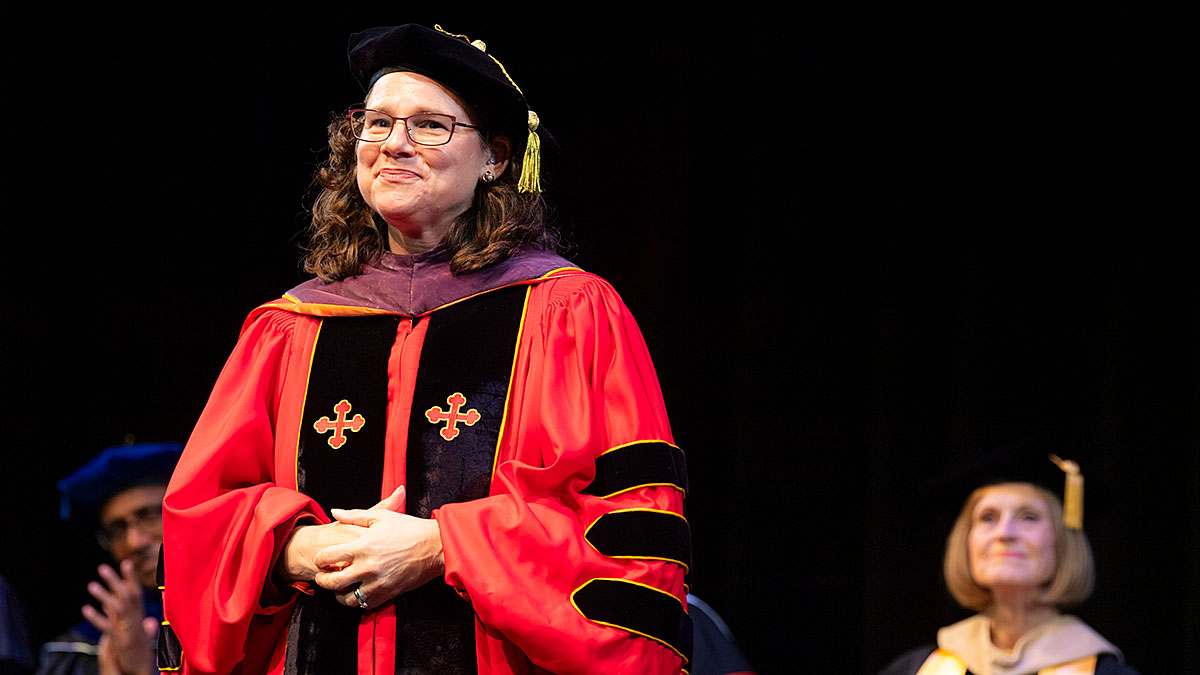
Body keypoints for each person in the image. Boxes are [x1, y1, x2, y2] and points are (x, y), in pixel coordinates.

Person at [159, 23, 690, 675]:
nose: (394, 145)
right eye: (377, 124)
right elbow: (199, 517)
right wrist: (294, 546)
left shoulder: (569, 313)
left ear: (496, 158)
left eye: (429, 126)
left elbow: (628, 540)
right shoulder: (290, 326)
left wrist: (445, 546)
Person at [879, 456, 1138, 675]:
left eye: (1029, 517)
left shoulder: (1101, 670)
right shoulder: (917, 668)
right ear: (966, 543)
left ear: (1063, 543)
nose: (1004, 533)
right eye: (988, 518)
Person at [37, 442, 182, 675]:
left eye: (151, 515)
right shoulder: (77, 650)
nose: (135, 542)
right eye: (117, 529)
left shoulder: (237, 617)